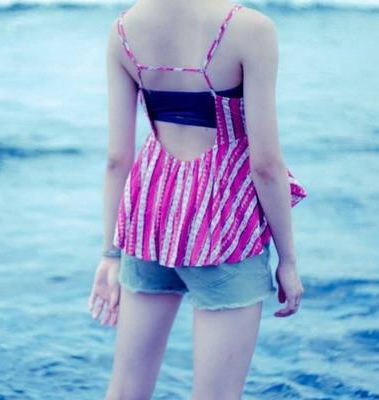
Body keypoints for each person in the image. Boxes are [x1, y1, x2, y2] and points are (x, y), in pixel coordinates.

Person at [88, 0, 307, 398]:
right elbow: (265, 164)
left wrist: (109, 253)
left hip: (151, 218)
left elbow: (117, 158)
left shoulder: (123, 31)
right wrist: (288, 260)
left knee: (126, 389)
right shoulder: (250, 29)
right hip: (224, 225)